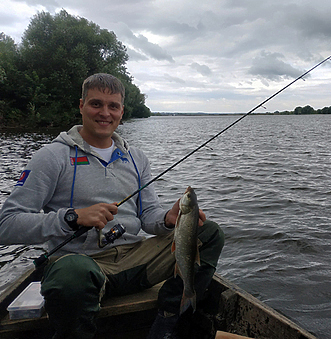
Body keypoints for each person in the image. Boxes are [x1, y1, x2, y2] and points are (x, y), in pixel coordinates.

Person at [0, 73, 225, 339]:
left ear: (121, 111)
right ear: (81, 105)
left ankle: (168, 321)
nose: (105, 113)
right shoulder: (51, 157)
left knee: (209, 232)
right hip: (83, 266)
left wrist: (167, 218)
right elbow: (7, 225)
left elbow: (148, 217)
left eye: (113, 106)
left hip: (135, 260)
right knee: (70, 275)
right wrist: (71, 218)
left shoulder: (136, 158)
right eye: (96, 104)